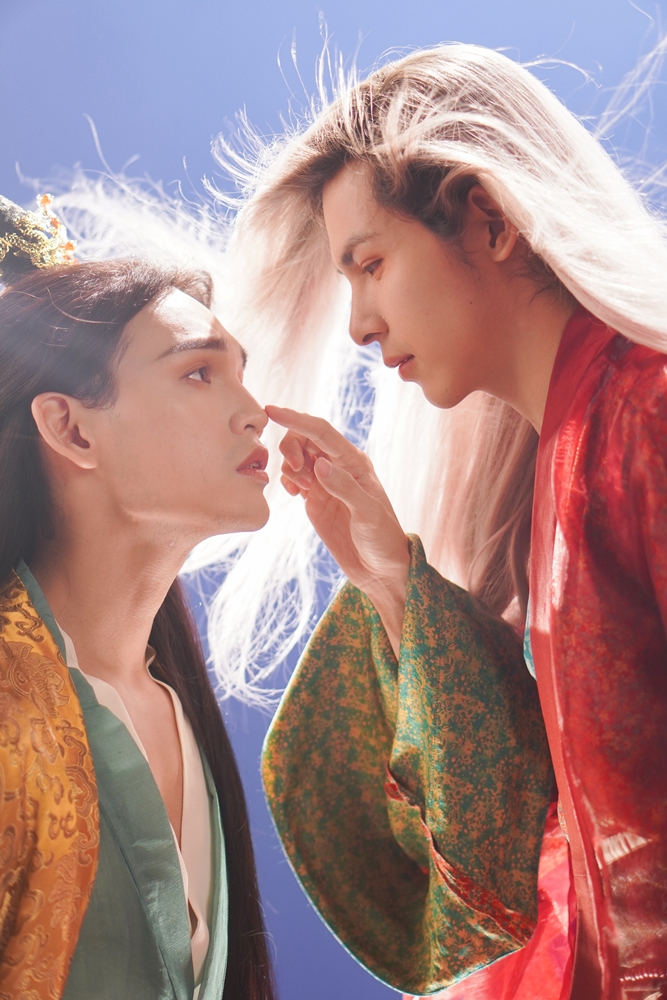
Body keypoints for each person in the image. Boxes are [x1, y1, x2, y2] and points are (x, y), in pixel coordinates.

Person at [215, 41, 667, 1000]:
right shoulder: (561, 459)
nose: (358, 324)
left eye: (370, 264)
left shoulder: (647, 413)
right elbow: (544, 815)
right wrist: (393, 578)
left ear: (489, 219)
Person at [0, 195, 276, 1000]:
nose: (254, 413)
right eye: (198, 373)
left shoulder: (178, 710)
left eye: (240, 373)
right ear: (71, 429)